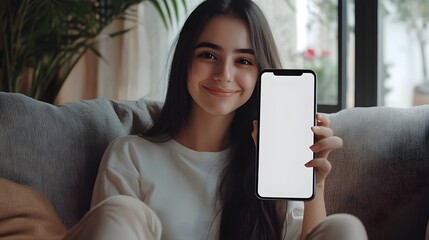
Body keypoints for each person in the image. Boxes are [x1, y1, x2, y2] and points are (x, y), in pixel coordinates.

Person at [64, 0, 368, 239]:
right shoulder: (130, 155)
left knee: (344, 228)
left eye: (244, 61)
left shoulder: (272, 161)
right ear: (185, 61)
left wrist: (312, 186)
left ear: (260, 73)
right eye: (208, 55)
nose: (224, 75)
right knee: (120, 212)